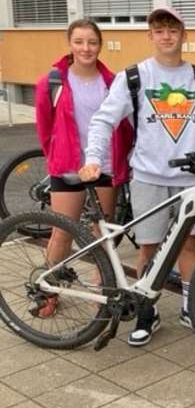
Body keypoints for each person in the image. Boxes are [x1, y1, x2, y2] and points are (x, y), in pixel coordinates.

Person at [81, 7, 195, 347]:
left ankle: (192, 308)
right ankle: (148, 312)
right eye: (159, 29)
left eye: (172, 29)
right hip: (147, 176)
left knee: (189, 244)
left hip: (190, 178)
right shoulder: (134, 77)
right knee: (149, 246)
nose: (166, 35)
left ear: (183, 35)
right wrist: (92, 159)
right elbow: (104, 120)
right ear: (150, 35)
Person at [33, 19, 134, 318]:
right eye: (79, 41)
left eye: (92, 42)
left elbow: (124, 126)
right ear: (70, 44)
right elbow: (44, 127)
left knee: (103, 233)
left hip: (103, 167)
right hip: (68, 168)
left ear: (99, 44)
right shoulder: (52, 82)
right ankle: (48, 289)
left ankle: (103, 286)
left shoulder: (112, 81)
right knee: (62, 232)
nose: (86, 48)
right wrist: (57, 156)